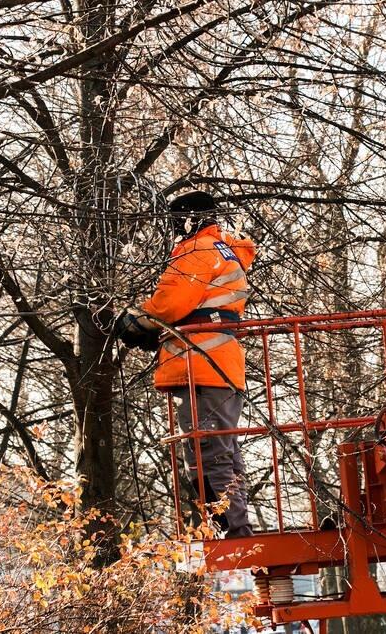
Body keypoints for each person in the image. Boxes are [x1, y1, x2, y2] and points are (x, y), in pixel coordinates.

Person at [116, 190, 256, 538]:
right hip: (220, 366)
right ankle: (235, 526)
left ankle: (233, 531)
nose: (173, 230)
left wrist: (135, 321)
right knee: (222, 450)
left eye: (175, 222)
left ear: (188, 219)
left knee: (206, 451)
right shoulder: (224, 252)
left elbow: (169, 304)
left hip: (202, 365)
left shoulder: (197, 251)